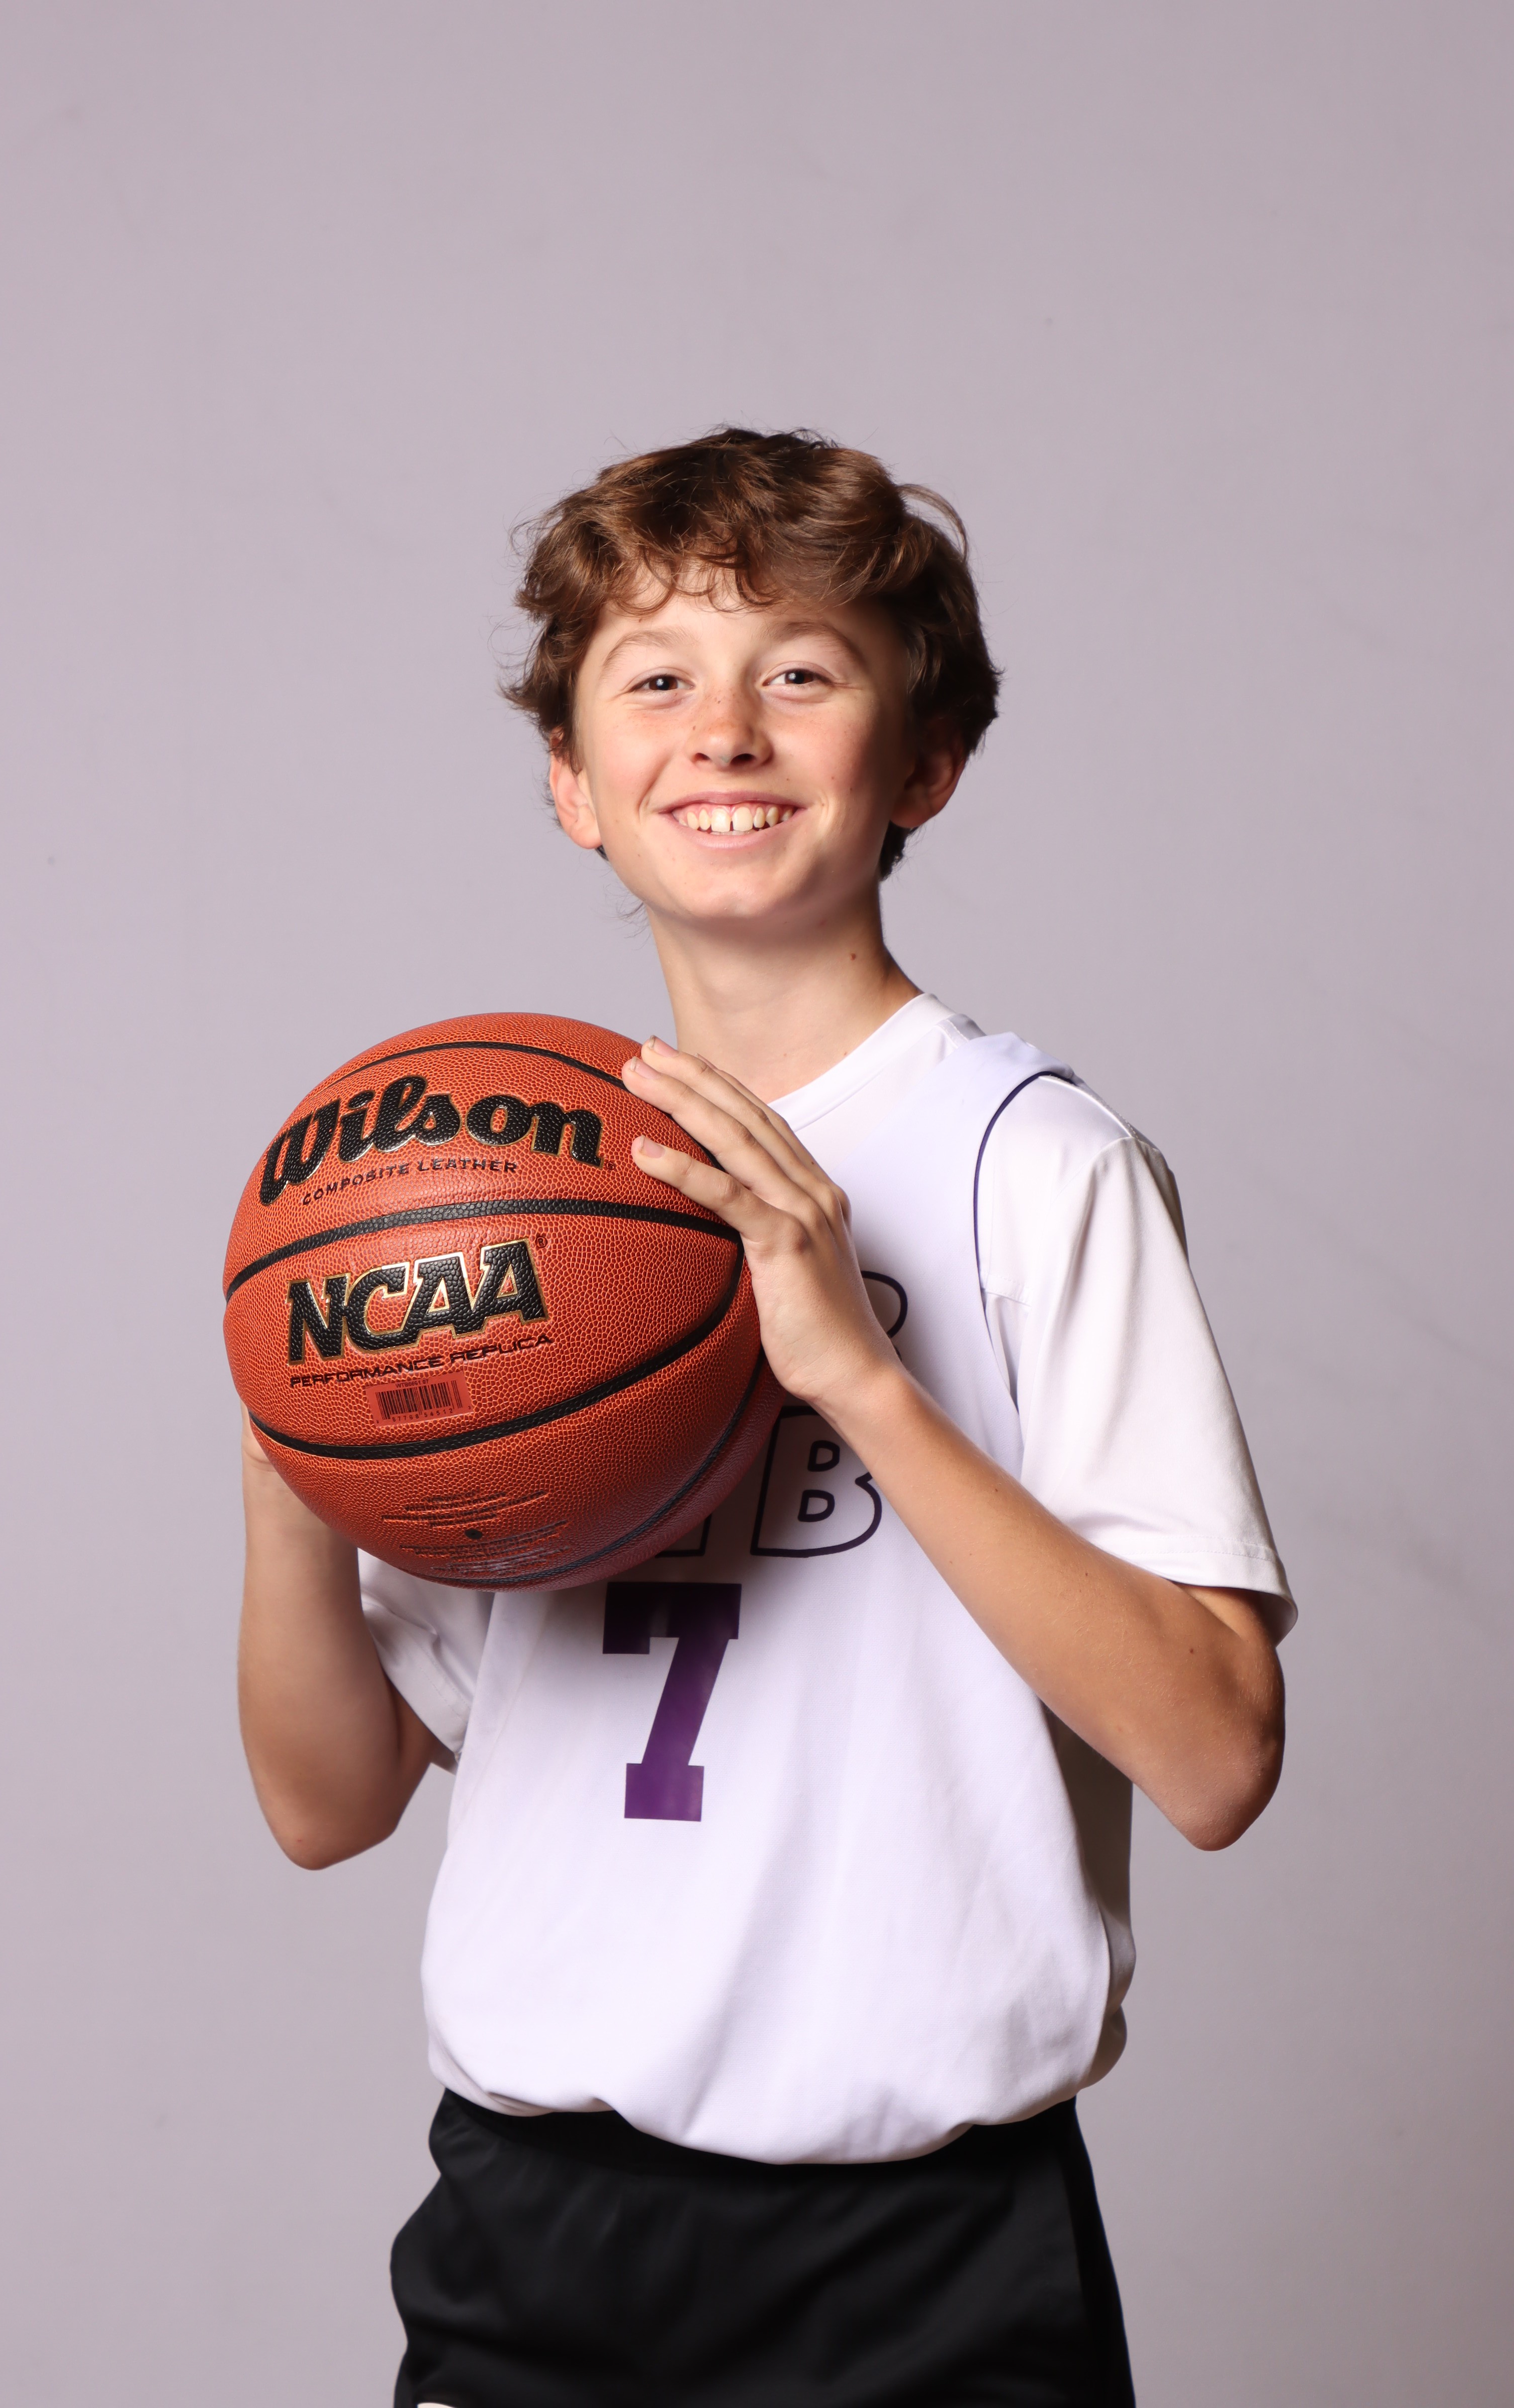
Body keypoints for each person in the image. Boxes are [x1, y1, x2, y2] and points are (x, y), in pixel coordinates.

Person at [237, 428, 1293, 2406]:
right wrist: (294, 1448)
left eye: (799, 670)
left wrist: (860, 1380)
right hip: (529, 2224)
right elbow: (325, 1807)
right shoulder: (482, 1186)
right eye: (654, 679)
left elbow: (1216, 1756)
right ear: (572, 782)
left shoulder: (1032, 1165)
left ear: (925, 762)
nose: (722, 728)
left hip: (923, 2258)